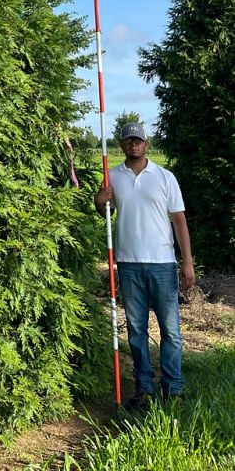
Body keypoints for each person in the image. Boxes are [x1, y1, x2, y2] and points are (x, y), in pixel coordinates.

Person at [94, 121, 195, 409]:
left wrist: (186, 262)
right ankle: (143, 388)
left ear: (146, 144)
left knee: (171, 330)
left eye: (138, 140)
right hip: (128, 264)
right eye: (128, 141)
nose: (133, 145)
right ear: (122, 144)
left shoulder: (164, 177)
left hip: (162, 263)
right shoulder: (112, 177)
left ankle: (173, 388)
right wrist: (99, 202)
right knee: (136, 329)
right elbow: (105, 211)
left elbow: (179, 222)